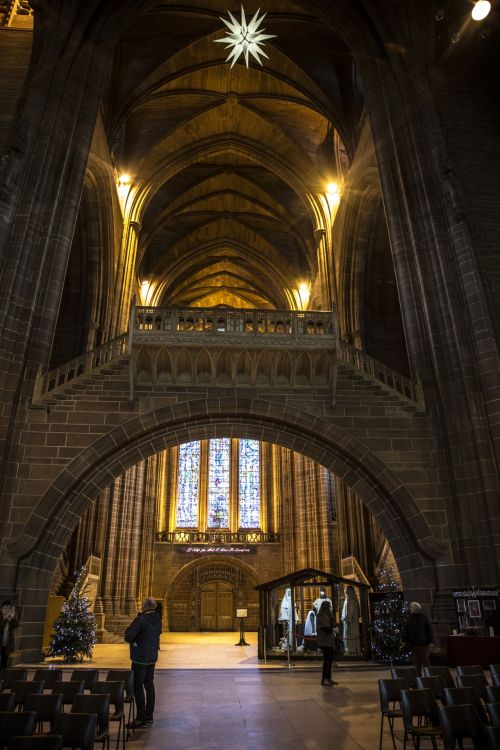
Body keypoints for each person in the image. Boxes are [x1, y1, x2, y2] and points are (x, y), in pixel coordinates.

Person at [124, 597, 162, 728]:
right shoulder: (158, 620)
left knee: (137, 686)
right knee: (149, 684)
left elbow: (128, 636)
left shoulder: (141, 620)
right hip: (152, 656)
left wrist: (134, 637)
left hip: (139, 658)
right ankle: (149, 716)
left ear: (145, 606)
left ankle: (140, 717)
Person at [401, 601, 434, 676]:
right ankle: (418, 677)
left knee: (426, 661)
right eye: (411, 608)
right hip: (414, 644)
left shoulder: (424, 618)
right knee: (417, 663)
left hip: (424, 644)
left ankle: (429, 676)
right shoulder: (409, 619)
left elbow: (429, 631)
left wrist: (430, 642)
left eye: (412, 608)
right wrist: (404, 641)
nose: (411, 609)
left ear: (417, 609)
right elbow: (406, 631)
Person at [316, 599, 339, 686]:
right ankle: (325, 679)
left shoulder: (327, 615)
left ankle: (329, 678)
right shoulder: (322, 616)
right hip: (325, 641)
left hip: (329, 641)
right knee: (327, 661)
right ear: (326, 607)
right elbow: (326, 628)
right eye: (330, 607)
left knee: (329, 661)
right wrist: (333, 629)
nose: (331, 608)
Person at [342, 585, 360, 655]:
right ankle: (350, 648)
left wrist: (348, 618)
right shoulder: (348, 599)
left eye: (346, 590)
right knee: (349, 635)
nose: (345, 592)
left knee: (352, 635)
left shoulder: (351, 600)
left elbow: (350, 611)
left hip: (351, 622)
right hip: (348, 621)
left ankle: (353, 649)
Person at [1, 601, 19, 668]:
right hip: (1, 642)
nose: (7, 610)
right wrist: (7, 619)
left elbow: (16, 625)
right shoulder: (2, 618)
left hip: (7, 643)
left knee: (4, 661)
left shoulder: (11, 618)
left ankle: (3, 674)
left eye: (9, 609)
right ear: (2, 609)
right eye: (5, 608)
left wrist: (13, 618)